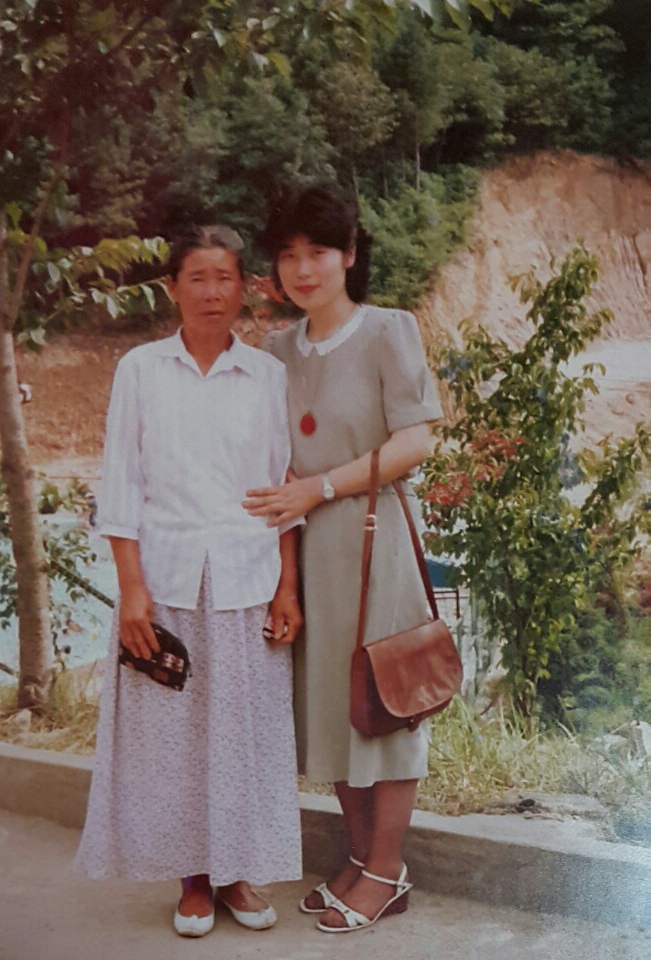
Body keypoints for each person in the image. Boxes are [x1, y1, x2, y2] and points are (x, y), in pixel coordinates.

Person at [75, 225, 303, 938]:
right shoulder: (141, 370)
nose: (211, 292)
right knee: (172, 741)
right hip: (166, 581)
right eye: (197, 277)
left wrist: (287, 587)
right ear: (172, 287)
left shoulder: (266, 375)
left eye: (224, 277)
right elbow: (121, 484)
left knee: (241, 736)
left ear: (244, 288)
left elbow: (282, 489)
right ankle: (193, 880)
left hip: (246, 579)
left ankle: (236, 872)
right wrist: (131, 590)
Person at [243, 185, 443, 934]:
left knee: (384, 704)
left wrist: (320, 487)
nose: (303, 269)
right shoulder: (274, 351)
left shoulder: (390, 329)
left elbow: (415, 440)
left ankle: (386, 871)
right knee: (332, 706)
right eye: (288, 255)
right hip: (304, 551)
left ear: (350, 255)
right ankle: (361, 859)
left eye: (319, 252)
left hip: (371, 538)